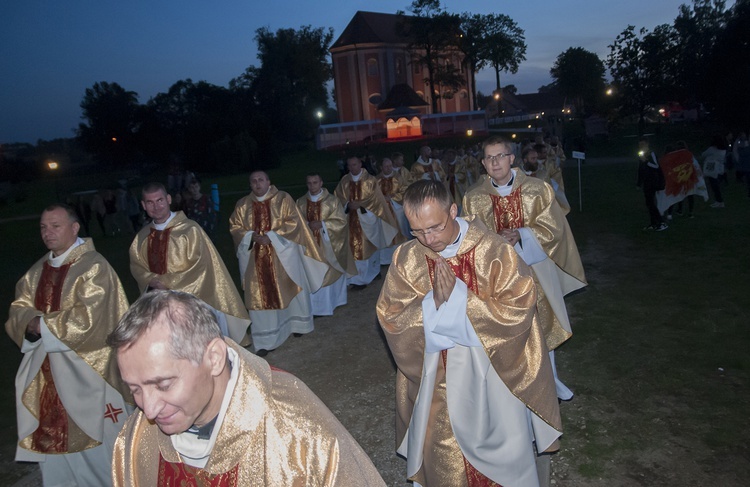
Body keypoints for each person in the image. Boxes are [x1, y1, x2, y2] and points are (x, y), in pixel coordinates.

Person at [376, 180, 562, 487]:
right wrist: (432, 304)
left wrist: (462, 300)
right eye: (417, 231)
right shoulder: (407, 258)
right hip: (438, 378)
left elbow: (519, 308)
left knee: (502, 447)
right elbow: (391, 316)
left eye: (435, 227)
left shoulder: (494, 250)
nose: (428, 238)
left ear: (453, 210)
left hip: (493, 373)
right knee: (443, 449)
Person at [109, 290, 386, 486]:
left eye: (164, 385)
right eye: (134, 389)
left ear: (214, 358)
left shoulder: (296, 432)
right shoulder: (138, 436)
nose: (149, 409)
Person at [5, 203, 132, 486]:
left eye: (55, 226)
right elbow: (19, 309)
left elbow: (91, 319)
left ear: (74, 228)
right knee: (54, 450)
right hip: (46, 376)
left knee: (100, 450)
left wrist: (41, 324)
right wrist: (29, 323)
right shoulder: (36, 272)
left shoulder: (94, 267)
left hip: (89, 372)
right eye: (43, 227)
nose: (47, 233)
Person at [462, 135, 587, 401]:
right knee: (509, 331)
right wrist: (496, 243)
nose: (495, 162)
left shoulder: (537, 189)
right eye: (489, 158)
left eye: (500, 156)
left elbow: (554, 228)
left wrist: (521, 234)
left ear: (511, 158)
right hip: (498, 279)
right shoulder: (473, 199)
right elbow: (470, 239)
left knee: (542, 326)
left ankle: (548, 384)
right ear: (483, 163)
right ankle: (515, 386)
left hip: (536, 270)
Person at [130, 182, 250, 345]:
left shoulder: (189, 230)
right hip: (159, 302)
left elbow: (199, 265)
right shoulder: (142, 237)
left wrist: (166, 282)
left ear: (169, 199)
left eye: (159, 200)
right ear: (143, 205)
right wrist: (150, 279)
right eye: (150, 202)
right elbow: (137, 265)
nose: (156, 206)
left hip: (195, 300)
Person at [229, 171, 329, 355]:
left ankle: (297, 325)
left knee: (291, 286)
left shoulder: (283, 199)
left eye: (261, 180)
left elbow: (294, 223)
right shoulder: (243, 205)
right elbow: (235, 226)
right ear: (250, 185)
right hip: (255, 258)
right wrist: (252, 237)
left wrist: (272, 237)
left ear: (268, 181)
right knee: (259, 294)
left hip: (284, 256)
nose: (257, 184)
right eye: (253, 181)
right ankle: (266, 339)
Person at [334, 156, 401, 290]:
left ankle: (373, 272)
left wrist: (361, 205)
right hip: (351, 219)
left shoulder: (370, 180)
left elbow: (376, 199)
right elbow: (338, 197)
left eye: (354, 164)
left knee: (369, 246)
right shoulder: (344, 181)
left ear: (360, 164)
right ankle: (360, 278)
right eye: (349, 165)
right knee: (356, 248)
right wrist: (348, 204)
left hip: (368, 218)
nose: (352, 168)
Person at [296, 173, 356, 316]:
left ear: (321, 182)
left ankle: (334, 302)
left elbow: (341, 222)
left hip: (329, 245)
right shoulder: (300, 202)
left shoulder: (332, 201)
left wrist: (322, 224)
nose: (312, 186)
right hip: (310, 246)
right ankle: (316, 308)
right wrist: (306, 226)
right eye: (309, 183)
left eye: (315, 182)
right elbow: (296, 224)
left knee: (329, 271)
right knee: (313, 272)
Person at [377, 157, 409, 264]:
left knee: (399, 231)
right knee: (384, 234)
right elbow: (373, 195)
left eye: (390, 166)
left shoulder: (398, 177)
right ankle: (385, 259)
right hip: (382, 211)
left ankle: (400, 257)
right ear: (381, 167)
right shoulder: (376, 180)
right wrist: (382, 199)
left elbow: (405, 190)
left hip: (396, 209)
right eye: (386, 166)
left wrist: (391, 198)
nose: (389, 168)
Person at [636, 139, 668, 231]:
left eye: (642, 144)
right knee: (649, 203)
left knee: (651, 203)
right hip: (647, 182)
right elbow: (640, 169)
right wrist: (639, 183)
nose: (641, 146)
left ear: (647, 144)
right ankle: (653, 223)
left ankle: (662, 222)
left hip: (653, 181)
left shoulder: (651, 154)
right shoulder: (641, 155)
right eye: (640, 145)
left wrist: (645, 161)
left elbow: (656, 166)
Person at [702, 134, 728, 208]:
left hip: (712, 169)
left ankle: (719, 201)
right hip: (720, 170)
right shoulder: (723, 150)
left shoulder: (712, 149)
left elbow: (703, 154)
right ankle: (719, 201)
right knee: (716, 186)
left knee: (714, 187)